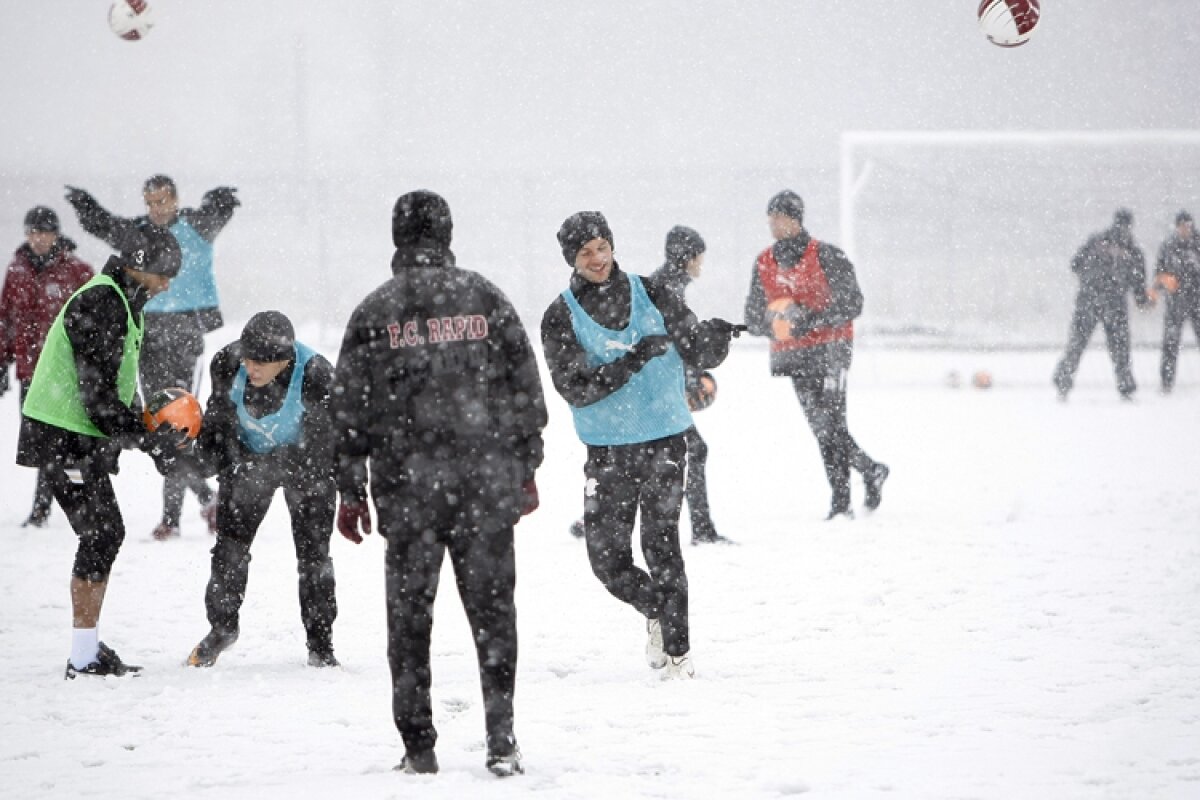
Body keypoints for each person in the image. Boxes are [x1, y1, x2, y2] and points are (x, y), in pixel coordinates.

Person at [332, 190, 547, 777]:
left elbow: (348, 409)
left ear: (396, 238)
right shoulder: (485, 298)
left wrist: (351, 489)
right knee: (494, 617)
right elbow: (525, 389)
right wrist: (527, 465)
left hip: (408, 492)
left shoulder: (374, 311)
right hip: (486, 485)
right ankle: (501, 739)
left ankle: (418, 746)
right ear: (448, 235)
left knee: (408, 623)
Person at [542, 211, 737, 683]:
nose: (597, 259)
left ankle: (679, 655)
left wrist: (715, 341)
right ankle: (656, 611)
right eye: (585, 252)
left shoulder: (654, 292)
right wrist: (633, 359)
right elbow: (575, 389)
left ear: (612, 245)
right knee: (607, 562)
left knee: (662, 547)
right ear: (571, 259)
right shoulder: (560, 315)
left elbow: (696, 348)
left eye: (602, 247)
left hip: (665, 440)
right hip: (607, 451)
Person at [16, 221, 184, 678]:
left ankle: (86, 652)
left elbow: (120, 387)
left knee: (105, 534)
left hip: (77, 434)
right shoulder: (102, 301)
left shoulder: (126, 302)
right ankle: (82, 657)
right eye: (164, 273)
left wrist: (151, 434)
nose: (167, 284)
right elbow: (98, 399)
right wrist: (147, 439)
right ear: (140, 265)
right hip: (61, 435)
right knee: (101, 534)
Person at [65, 176, 240, 539]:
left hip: (185, 334)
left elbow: (218, 214)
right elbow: (106, 226)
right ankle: (207, 498)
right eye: (150, 203)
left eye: (162, 201)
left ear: (175, 200)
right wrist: (86, 208)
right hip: (148, 334)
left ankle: (172, 518)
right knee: (156, 421)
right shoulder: (139, 235)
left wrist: (222, 201)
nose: (156, 209)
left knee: (179, 422)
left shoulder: (196, 225)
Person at [184, 311, 339, 669]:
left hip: (305, 468)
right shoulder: (227, 363)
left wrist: (273, 464)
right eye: (247, 359)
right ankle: (221, 630)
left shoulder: (317, 375)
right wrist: (195, 457)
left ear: (285, 361)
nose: (250, 368)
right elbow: (217, 426)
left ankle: (321, 645)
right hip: (248, 460)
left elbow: (324, 451)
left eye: (259, 363)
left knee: (314, 558)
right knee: (229, 549)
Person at [566, 224, 734, 545]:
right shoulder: (666, 287)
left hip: (647, 389)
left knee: (639, 457)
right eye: (700, 256)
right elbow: (668, 342)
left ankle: (595, 516)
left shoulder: (663, 283)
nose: (701, 263)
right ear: (689, 257)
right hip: (651, 391)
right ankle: (701, 529)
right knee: (686, 451)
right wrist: (689, 378)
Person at [743, 190, 889, 520]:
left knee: (833, 425)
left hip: (831, 350)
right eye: (770, 218)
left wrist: (809, 318)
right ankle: (870, 470)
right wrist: (773, 323)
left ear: (796, 219)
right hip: (793, 355)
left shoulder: (827, 256)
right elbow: (752, 315)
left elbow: (853, 303)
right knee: (822, 428)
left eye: (779, 217)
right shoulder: (763, 262)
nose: (773, 223)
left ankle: (841, 504)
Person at [1, 206, 94, 527]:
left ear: (56, 234)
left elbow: (96, 320)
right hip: (31, 373)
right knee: (39, 445)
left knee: (71, 444)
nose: (38, 238)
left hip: (65, 373)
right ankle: (42, 507)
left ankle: (80, 500)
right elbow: (6, 320)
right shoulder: (16, 272)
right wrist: (2, 362)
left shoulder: (77, 271)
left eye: (44, 232)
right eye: (33, 232)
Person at [1052, 208, 1153, 400]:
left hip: (1088, 300)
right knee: (1120, 348)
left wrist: (1090, 280)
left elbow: (1075, 264)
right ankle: (1126, 387)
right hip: (1115, 304)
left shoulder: (1096, 241)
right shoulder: (1133, 251)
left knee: (1077, 344)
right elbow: (1138, 285)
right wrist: (1144, 300)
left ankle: (1063, 380)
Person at [1153, 210, 1200, 394]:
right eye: (1182, 226)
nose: (1185, 229)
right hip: (1175, 303)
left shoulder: (1197, 245)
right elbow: (1159, 273)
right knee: (1171, 343)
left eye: (1187, 226)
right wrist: (1167, 282)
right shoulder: (1168, 247)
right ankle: (1166, 382)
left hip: (1197, 301)